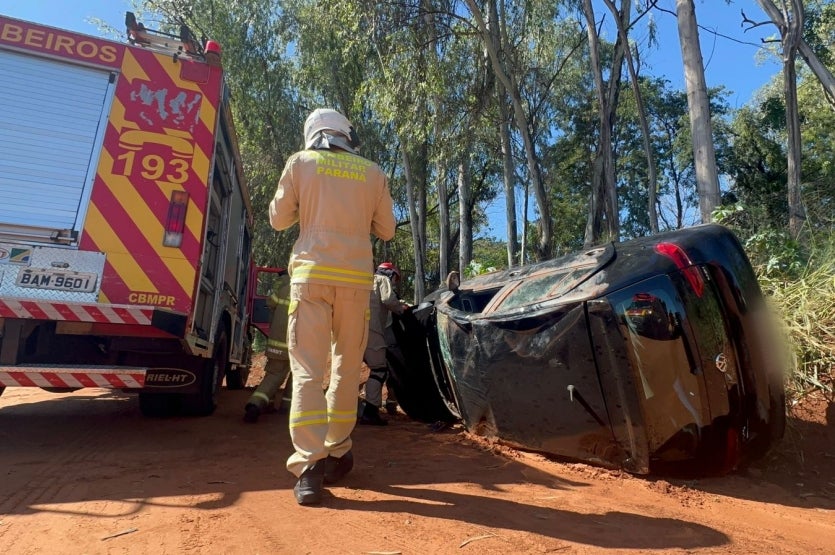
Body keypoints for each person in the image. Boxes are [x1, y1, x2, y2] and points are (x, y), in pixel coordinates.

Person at [269, 108, 396, 505]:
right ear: (346, 135)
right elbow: (388, 229)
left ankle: (309, 469)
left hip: (311, 279)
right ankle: (338, 449)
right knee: (345, 368)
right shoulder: (372, 172)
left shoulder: (301, 163)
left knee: (307, 369)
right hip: (356, 281)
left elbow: (277, 220)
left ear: (312, 133)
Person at [360, 262, 408, 426]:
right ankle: (370, 412)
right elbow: (388, 299)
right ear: (390, 274)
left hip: (351, 331)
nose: (394, 282)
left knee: (347, 370)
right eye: (395, 279)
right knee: (379, 370)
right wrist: (401, 308)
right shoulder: (381, 280)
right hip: (372, 330)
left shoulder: (362, 280)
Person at [244, 272, 292, 423]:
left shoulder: (283, 287)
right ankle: (287, 407)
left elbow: (270, 303)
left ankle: (256, 403)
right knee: (297, 376)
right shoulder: (311, 291)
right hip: (297, 344)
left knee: (273, 374)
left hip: (276, 341)